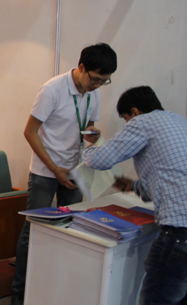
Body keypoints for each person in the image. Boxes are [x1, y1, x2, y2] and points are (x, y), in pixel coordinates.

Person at [11, 43, 117, 305]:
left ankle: (54, 288)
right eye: (95, 79)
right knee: (33, 229)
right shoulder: (52, 89)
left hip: (74, 171)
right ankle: (19, 291)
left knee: (71, 229)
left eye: (104, 81)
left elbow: (87, 126)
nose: (98, 85)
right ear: (81, 67)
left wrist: (93, 135)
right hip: (45, 172)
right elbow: (29, 132)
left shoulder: (93, 93)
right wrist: (54, 168)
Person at [83, 86, 187, 305]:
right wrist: (133, 186)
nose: (127, 125)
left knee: (157, 298)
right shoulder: (179, 121)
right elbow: (170, 177)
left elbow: (99, 160)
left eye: (125, 119)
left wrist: (91, 146)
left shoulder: (142, 122)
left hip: (180, 231)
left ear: (134, 111)